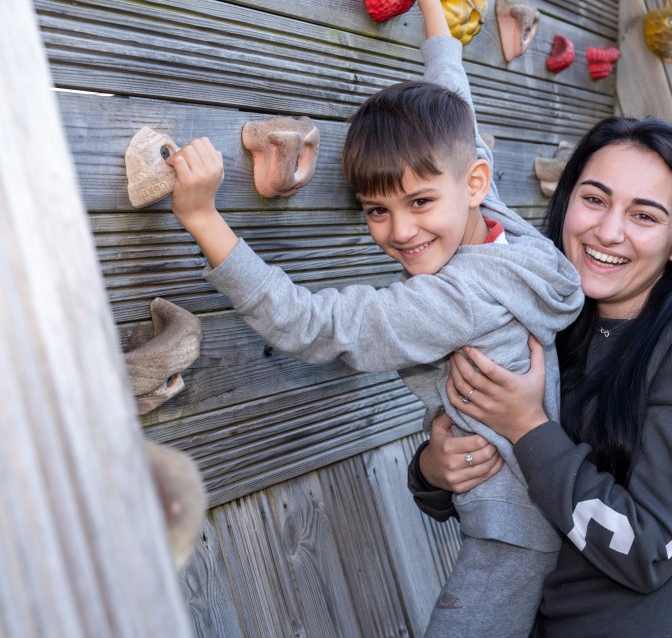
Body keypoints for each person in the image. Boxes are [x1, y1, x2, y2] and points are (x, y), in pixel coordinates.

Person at [164, 1, 583, 635]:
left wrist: (202, 218)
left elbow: (310, 325)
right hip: (544, 510)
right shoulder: (511, 238)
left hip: (510, 538)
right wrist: (438, 22)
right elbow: (455, 104)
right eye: (376, 210)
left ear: (473, 181)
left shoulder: (450, 300)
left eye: (418, 202)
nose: (401, 231)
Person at [411, 116, 672, 637]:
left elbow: (647, 551)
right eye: (594, 199)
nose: (608, 231)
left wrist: (527, 429)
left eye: (644, 216)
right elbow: (508, 488)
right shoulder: (550, 317)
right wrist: (436, 468)